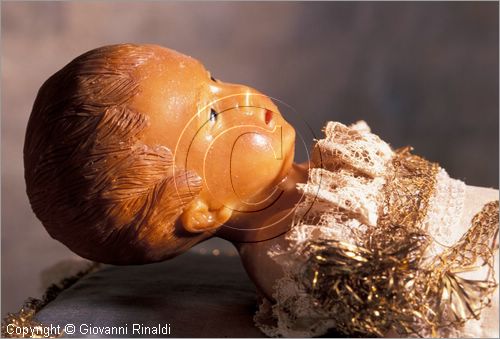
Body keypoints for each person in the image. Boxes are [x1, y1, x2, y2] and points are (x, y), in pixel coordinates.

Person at [24, 44, 498, 337]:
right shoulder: (296, 258)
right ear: (205, 211)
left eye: (213, 80)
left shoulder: (328, 169)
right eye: (212, 118)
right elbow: (422, 314)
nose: (248, 101)